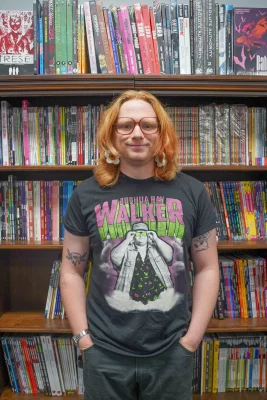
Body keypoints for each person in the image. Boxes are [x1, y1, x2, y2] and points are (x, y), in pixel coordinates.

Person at [60, 90, 219, 400]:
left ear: (161, 134)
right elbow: (70, 271)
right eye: (126, 125)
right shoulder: (86, 194)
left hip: (172, 352)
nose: (137, 134)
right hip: (104, 353)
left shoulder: (193, 191)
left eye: (148, 125)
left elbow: (208, 267)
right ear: (111, 135)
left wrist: (191, 340)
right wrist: (84, 341)